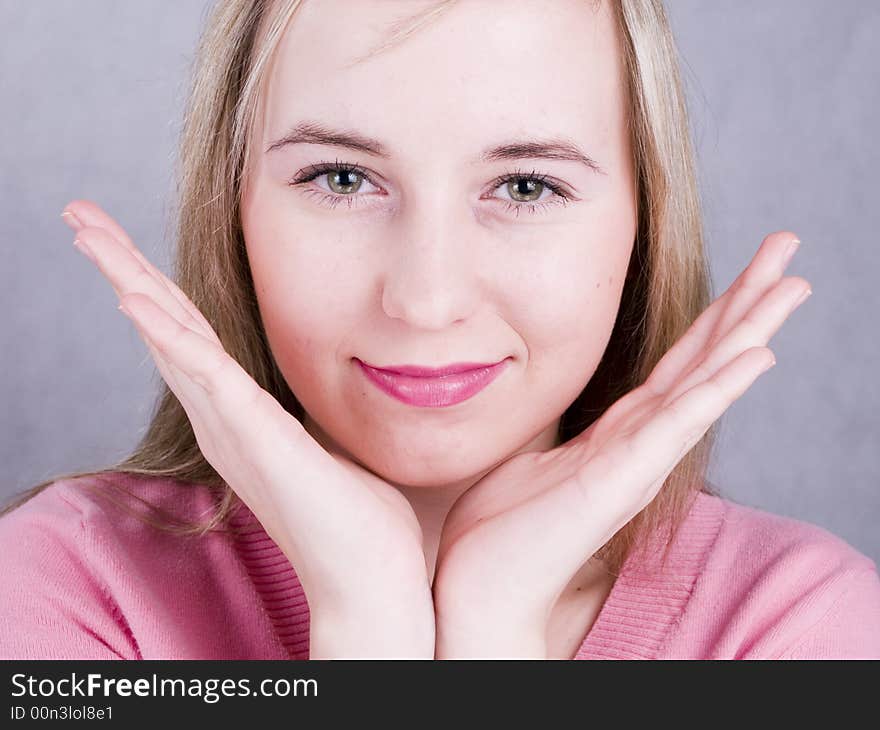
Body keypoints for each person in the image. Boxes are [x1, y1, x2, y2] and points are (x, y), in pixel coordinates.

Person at [1, 0, 878, 661]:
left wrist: (495, 630)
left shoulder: (796, 627)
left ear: (643, 223)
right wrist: (368, 625)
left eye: (526, 186)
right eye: (341, 178)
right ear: (233, 210)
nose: (426, 299)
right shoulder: (65, 589)